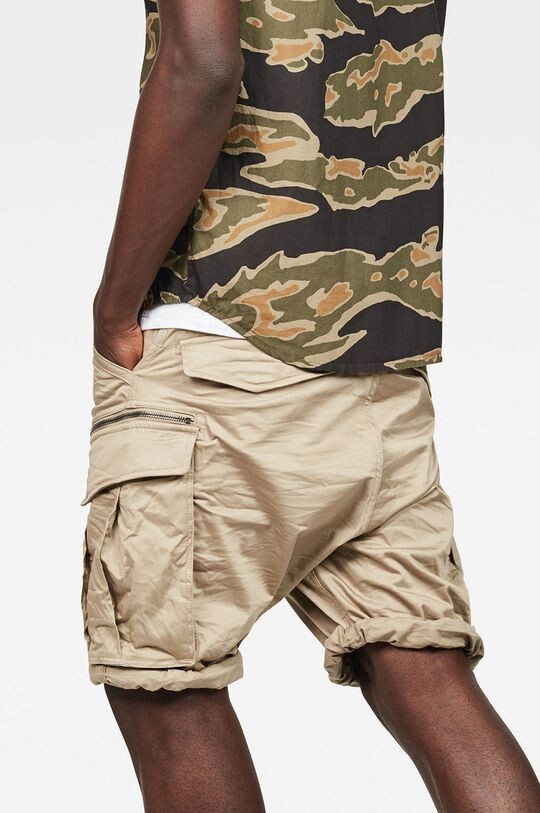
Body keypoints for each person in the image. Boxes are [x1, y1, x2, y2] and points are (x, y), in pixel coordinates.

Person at [83, 1, 540, 810]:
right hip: (381, 354)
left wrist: (116, 303)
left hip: (222, 341)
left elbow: (204, 64)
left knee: (166, 688)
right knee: (424, 669)